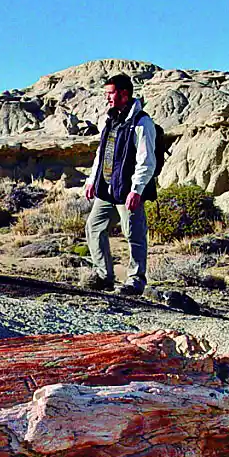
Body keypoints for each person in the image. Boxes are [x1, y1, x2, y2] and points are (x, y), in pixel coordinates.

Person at [83, 73, 157, 296]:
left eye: (110, 93)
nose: (107, 98)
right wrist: (91, 181)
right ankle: (104, 276)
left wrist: (137, 190)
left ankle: (135, 280)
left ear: (124, 94)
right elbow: (100, 154)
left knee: (134, 234)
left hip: (127, 191)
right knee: (94, 227)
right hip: (106, 189)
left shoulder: (142, 123)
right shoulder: (110, 120)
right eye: (106, 93)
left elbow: (146, 160)